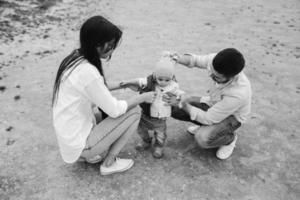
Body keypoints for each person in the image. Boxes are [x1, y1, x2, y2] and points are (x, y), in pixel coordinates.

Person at [52, 16, 156, 175]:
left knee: (102, 110)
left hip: (69, 137)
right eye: (111, 45)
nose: (113, 49)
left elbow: (97, 89)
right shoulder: (88, 72)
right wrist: (143, 97)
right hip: (80, 143)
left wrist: (126, 83)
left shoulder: (75, 58)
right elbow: (115, 109)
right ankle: (109, 163)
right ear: (97, 44)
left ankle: (87, 155)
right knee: (134, 111)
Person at [163, 48, 252, 159]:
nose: (211, 77)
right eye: (212, 72)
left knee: (203, 138)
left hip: (232, 118)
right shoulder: (217, 61)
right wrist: (176, 58)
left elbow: (209, 118)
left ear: (232, 77)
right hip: (213, 103)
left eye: (217, 77)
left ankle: (229, 139)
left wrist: (183, 104)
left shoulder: (238, 93)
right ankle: (207, 128)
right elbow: (194, 60)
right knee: (174, 108)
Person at [120, 55, 184, 158]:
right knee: (141, 129)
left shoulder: (174, 86)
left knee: (160, 134)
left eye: (167, 80)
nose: (163, 82)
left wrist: (177, 100)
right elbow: (139, 81)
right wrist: (128, 82)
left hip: (160, 117)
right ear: (155, 76)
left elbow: (179, 96)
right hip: (146, 114)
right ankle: (146, 141)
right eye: (160, 79)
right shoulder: (150, 81)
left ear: (172, 77)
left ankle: (159, 146)